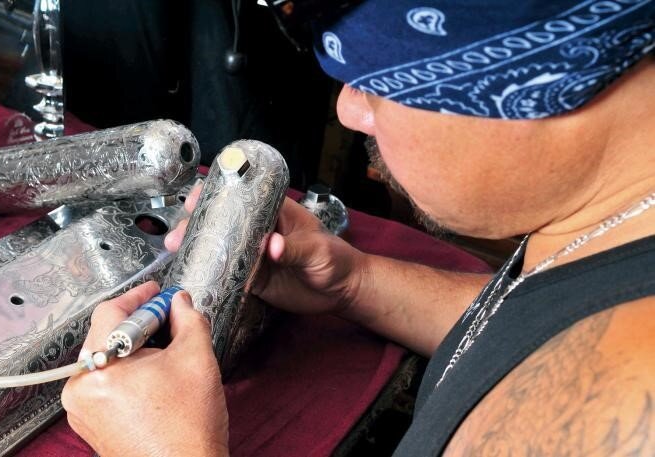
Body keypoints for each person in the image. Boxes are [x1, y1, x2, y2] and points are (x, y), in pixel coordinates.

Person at [61, 1, 655, 455]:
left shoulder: (614, 410)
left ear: (544, 76)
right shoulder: (619, 226)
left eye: (380, 79)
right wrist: (355, 283)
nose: (351, 110)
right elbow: (540, 321)